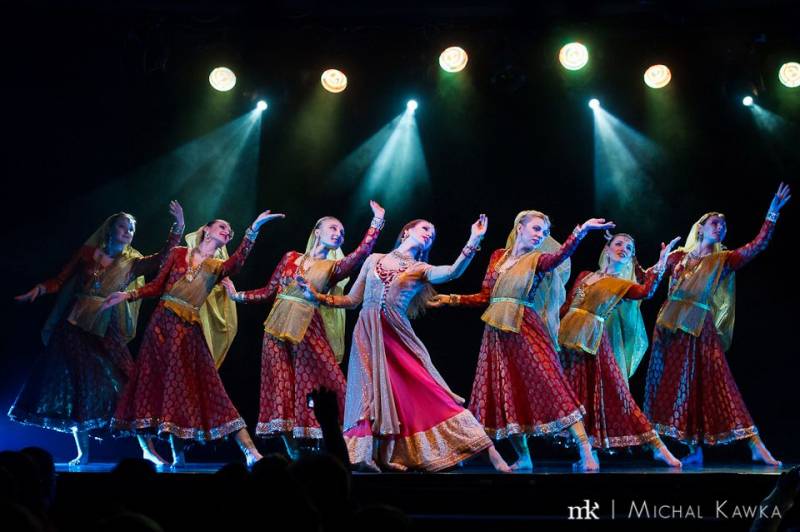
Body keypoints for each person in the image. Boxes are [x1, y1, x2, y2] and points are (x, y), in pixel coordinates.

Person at [298, 216, 511, 472]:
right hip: (366, 334)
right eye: (425, 228)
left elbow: (452, 272)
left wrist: (474, 240)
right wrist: (316, 296)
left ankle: (489, 451)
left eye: (433, 235)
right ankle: (370, 456)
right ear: (407, 231)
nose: (429, 234)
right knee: (367, 393)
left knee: (430, 389)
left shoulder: (420, 268)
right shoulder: (374, 259)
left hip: (397, 336)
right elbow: (352, 300)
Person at [430, 210, 615, 471]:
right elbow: (486, 296)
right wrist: (451, 299)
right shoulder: (498, 256)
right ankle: (524, 456)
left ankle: (585, 450)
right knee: (506, 391)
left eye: (545, 232)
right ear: (520, 227)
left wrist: (581, 231)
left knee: (553, 384)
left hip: (525, 327)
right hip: (496, 332)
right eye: (536, 229)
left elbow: (560, 256)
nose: (541, 235)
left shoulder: (538, 259)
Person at [103, 209, 285, 466]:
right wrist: (128, 295)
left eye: (230, 232)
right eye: (222, 227)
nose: (227, 232)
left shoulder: (217, 267)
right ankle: (172, 455)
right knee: (156, 386)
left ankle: (250, 452)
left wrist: (253, 228)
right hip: (160, 328)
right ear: (206, 230)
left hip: (188, 331)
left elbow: (238, 260)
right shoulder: (179, 253)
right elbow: (156, 286)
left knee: (210, 388)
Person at [9, 202, 184, 465]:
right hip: (74, 326)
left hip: (106, 328)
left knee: (127, 384)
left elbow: (162, 259)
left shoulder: (133, 263)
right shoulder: (87, 254)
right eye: (123, 227)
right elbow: (60, 281)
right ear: (109, 229)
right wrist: (40, 289)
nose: (128, 232)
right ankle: (83, 452)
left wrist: (178, 227)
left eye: (131, 229)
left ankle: (146, 449)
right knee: (77, 386)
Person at [222, 201, 385, 458]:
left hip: (309, 328)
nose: (338, 234)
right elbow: (269, 292)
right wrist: (237, 296)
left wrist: (376, 222)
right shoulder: (291, 258)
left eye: (342, 232)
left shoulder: (333, 268)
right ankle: (295, 453)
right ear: (317, 231)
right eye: (333, 228)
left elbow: (359, 255)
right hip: (274, 330)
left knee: (330, 382)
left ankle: (350, 447)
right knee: (281, 389)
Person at [644, 183, 790, 466]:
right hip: (669, 328)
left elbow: (757, 246)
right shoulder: (677, 257)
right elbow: (644, 278)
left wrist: (771, 215)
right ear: (700, 228)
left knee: (721, 385)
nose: (720, 227)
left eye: (723, 225)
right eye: (715, 223)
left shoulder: (723, 259)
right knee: (677, 388)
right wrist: (655, 260)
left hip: (701, 328)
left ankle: (755, 444)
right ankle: (692, 448)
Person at [558, 232, 681, 466]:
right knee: (578, 397)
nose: (623, 249)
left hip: (594, 342)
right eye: (619, 244)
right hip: (568, 340)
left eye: (629, 248)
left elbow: (646, 292)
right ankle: (588, 453)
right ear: (607, 249)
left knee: (619, 394)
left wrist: (662, 262)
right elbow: (566, 306)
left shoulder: (622, 285)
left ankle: (658, 447)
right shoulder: (585, 275)